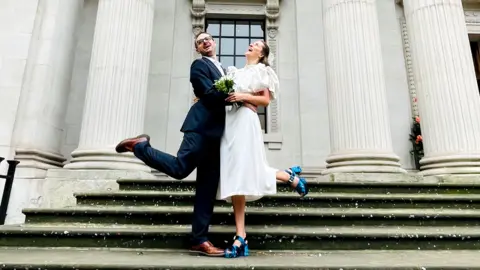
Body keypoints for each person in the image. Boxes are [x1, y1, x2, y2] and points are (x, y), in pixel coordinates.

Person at [114, 32, 240, 257]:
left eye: (208, 38)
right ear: (197, 49)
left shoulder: (223, 68)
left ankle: (199, 240)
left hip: (217, 135)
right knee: (180, 168)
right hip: (199, 128)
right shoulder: (198, 67)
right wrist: (233, 94)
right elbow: (208, 95)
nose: (205, 42)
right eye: (200, 41)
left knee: (207, 190)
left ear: (214, 42)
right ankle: (140, 147)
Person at [215, 40, 308, 258]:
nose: (251, 44)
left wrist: (243, 96)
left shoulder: (262, 71)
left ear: (262, 53)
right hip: (230, 125)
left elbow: (265, 100)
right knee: (235, 177)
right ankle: (241, 236)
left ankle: (287, 177)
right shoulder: (234, 73)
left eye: (257, 44)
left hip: (247, 121)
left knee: (247, 170)